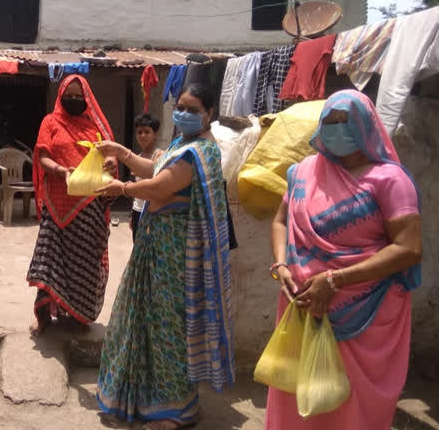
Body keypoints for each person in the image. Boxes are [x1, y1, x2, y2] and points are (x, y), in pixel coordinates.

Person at [265, 89, 422, 430]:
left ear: (366, 125)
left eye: (345, 121)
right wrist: (280, 265)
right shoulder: (303, 171)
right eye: (330, 122)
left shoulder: (389, 180)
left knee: (352, 406)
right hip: (303, 305)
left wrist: (335, 280)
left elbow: (408, 248)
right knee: (297, 398)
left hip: (366, 311)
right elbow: (280, 221)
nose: (337, 130)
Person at [94, 82, 235, 430]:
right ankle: (146, 400)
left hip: (175, 252)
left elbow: (160, 187)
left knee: (167, 326)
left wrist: (122, 188)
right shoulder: (182, 144)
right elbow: (154, 171)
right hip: (155, 243)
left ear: (209, 114)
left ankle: (175, 411)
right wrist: (123, 154)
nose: (184, 114)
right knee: (143, 319)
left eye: (193, 109)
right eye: (181, 107)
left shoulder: (201, 151)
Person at [26, 74, 117, 336]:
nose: (74, 100)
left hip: (90, 207)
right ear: (61, 96)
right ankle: (43, 315)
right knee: (48, 262)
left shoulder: (96, 127)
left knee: (85, 264)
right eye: (70, 96)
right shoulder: (50, 122)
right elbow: (42, 157)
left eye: (80, 97)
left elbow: (109, 158)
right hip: (57, 205)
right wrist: (61, 171)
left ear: (87, 99)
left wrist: (110, 164)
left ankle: (78, 315)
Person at [129, 113, 163, 242]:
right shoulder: (136, 157)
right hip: (137, 211)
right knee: (137, 248)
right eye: (139, 132)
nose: (142, 135)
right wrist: (132, 214)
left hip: (152, 212)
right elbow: (135, 191)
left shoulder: (159, 156)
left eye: (147, 132)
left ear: (155, 134)